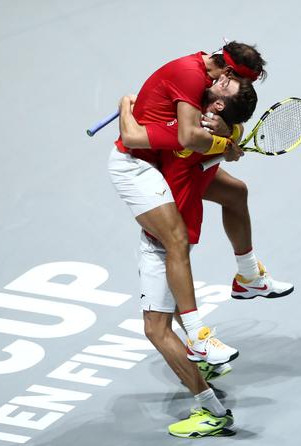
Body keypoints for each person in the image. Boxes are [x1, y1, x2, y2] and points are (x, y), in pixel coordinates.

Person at [108, 41, 267, 370]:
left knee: (235, 193)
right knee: (172, 258)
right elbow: (134, 138)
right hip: (148, 174)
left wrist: (228, 135)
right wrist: (126, 105)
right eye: (239, 80)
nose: (238, 85)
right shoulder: (188, 121)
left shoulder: (200, 111)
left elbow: (213, 128)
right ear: (225, 72)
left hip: (169, 169)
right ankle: (197, 337)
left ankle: (248, 277)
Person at [116, 78, 257, 437]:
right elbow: (226, 133)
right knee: (174, 303)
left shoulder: (184, 137)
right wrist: (230, 142)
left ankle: (210, 410)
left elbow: (131, 138)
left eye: (223, 85)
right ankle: (207, 349)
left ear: (217, 108)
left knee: (155, 329)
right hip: (183, 224)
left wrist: (126, 104)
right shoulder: (219, 137)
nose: (214, 81)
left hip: (162, 238)